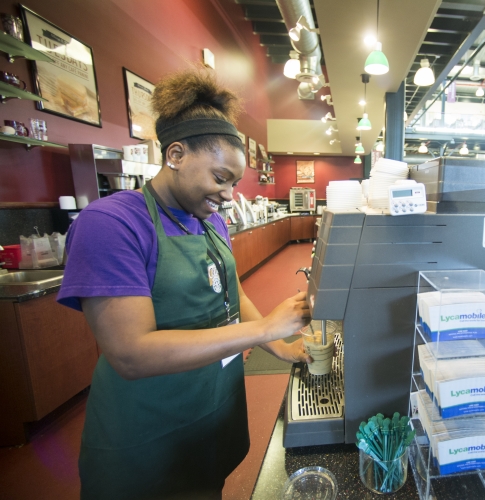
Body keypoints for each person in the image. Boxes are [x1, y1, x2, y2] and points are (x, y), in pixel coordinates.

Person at [57, 69, 312, 499]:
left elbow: (235, 295)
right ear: (175, 154)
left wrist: (280, 349)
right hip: (148, 431)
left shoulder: (209, 222)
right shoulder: (111, 223)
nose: (229, 196)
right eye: (220, 178)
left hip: (213, 409)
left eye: (234, 182)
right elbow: (132, 354)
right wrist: (267, 328)